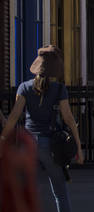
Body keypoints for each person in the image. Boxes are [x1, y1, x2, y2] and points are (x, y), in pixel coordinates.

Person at [0, 45, 83, 212]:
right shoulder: (59, 89)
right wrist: (79, 148)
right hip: (50, 146)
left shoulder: (24, 87)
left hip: (27, 146)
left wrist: (2, 139)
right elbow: (68, 118)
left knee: (24, 193)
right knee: (60, 193)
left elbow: (14, 116)